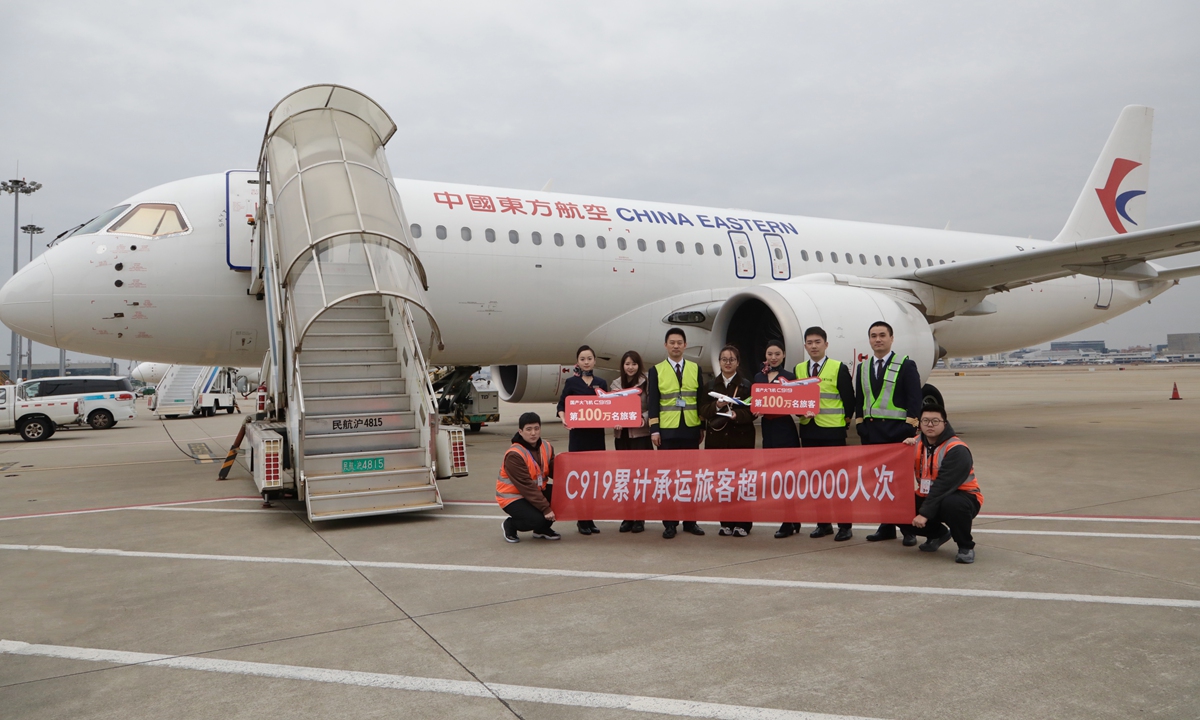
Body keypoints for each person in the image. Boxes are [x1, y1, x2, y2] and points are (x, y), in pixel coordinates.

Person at [854, 321, 923, 545]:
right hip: (872, 435)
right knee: (880, 483)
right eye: (873, 336)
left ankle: (908, 529)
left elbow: (915, 400)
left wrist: (909, 428)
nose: (878, 339)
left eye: (882, 335)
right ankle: (886, 526)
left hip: (897, 435)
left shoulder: (905, 364)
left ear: (891, 338)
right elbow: (860, 400)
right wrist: (860, 426)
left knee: (900, 483)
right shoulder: (863, 367)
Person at [896, 405, 982, 564]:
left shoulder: (956, 449)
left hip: (963, 496)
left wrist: (924, 514)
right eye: (925, 421)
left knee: (952, 504)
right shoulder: (914, 444)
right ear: (920, 424)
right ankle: (938, 534)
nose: (930, 425)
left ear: (945, 423)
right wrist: (902, 449)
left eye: (935, 421)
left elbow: (943, 486)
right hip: (928, 495)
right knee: (896, 506)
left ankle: (965, 546)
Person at [795, 326, 857, 542]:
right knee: (816, 481)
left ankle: (844, 526)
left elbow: (849, 400)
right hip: (809, 431)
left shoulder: (837, 367)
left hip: (833, 432)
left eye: (817, 342)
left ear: (826, 344)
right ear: (805, 346)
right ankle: (823, 524)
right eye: (809, 342)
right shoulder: (799, 369)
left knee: (838, 482)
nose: (813, 346)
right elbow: (795, 399)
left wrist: (844, 422)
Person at [647, 327, 706, 539]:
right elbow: (653, 402)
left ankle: (691, 521)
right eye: (672, 342)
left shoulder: (695, 368)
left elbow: (699, 400)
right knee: (668, 480)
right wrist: (654, 429)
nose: (675, 346)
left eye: (679, 342)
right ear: (665, 345)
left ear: (685, 345)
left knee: (690, 478)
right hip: (667, 431)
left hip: (690, 429)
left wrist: (701, 427)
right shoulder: (656, 370)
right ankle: (670, 523)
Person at [699, 344, 755, 537]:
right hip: (718, 441)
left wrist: (735, 415)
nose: (728, 363)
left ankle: (743, 523)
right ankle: (726, 522)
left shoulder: (747, 385)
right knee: (722, 482)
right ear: (719, 362)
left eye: (731, 359)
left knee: (741, 482)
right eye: (724, 359)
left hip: (741, 440)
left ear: (737, 362)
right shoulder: (711, 386)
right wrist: (717, 404)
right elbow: (702, 411)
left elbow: (752, 412)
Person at [754, 339, 802, 539]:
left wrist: (804, 411)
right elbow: (754, 402)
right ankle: (792, 518)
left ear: (783, 355)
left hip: (785, 428)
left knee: (788, 477)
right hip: (768, 429)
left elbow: (798, 404)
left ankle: (788, 521)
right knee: (775, 476)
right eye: (769, 354)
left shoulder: (789, 377)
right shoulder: (758, 377)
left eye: (777, 354)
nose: (773, 358)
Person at [557, 345, 607, 535]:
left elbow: (610, 408)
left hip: (596, 437)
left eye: (589, 358)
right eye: (583, 359)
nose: (586, 362)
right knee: (580, 480)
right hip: (578, 437)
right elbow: (562, 406)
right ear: (578, 362)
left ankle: (590, 519)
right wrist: (564, 419)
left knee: (593, 480)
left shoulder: (601, 383)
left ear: (595, 360)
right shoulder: (571, 383)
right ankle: (581, 520)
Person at [497, 412, 560, 543]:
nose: (533, 433)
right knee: (537, 519)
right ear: (520, 431)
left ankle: (541, 530)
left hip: (535, 491)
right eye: (529, 429)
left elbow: (556, 472)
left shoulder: (546, 447)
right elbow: (526, 486)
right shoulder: (515, 454)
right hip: (513, 496)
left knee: (562, 497)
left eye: (536, 429)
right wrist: (545, 508)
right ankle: (510, 525)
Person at [612, 350, 651, 533]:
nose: (630, 367)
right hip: (622, 438)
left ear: (639, 365)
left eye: (633, 364)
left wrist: (643, 418)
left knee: (640, 478)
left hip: (641, 436)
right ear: (623, 365)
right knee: (625, 478)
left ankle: (640, 518)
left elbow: (653, 407)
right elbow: (611, 409)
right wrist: (615, 420)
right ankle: (627, 517)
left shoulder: (647, 382)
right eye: (627, 364)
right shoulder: (615, 384)